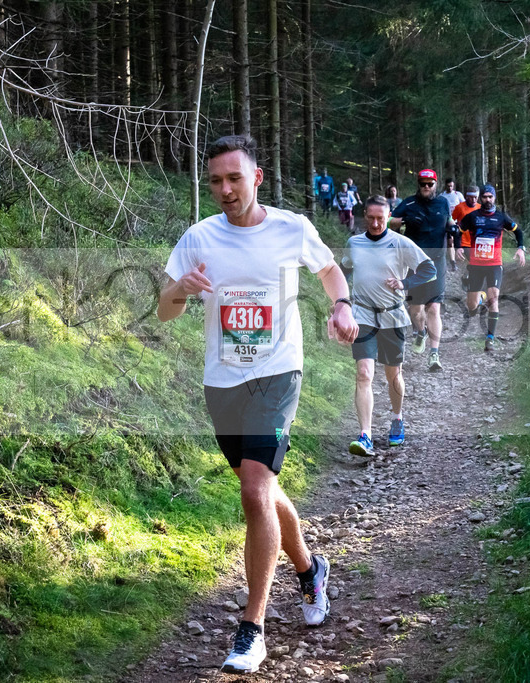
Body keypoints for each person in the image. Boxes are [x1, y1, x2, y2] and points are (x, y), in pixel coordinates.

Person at [158, 134, 358, 675]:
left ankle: (252, 628)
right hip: (222, 382)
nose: (225, 189)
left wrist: (340, 306)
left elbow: (329, 269)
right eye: (216, 181)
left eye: (234, 178)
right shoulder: (199, 237)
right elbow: (164, 311)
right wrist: (182, 289)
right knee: (264, 488)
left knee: (253, 490)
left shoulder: (291, 228)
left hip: (278, 373)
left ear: (257, 178)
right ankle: (311, 568)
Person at [341, 196, 436, 456]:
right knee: (363, 374)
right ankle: (365, 435)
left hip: (392, 316)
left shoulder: (400, 242)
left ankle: (397, 418)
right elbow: (344, 271)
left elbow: (429, 269)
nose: (375, 223)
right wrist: (340, 301)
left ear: (388, 216)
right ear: (364, 216)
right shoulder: (354, 243)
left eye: (380, 219)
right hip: (362, 315)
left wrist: (405, 283)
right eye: (370, 218)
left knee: (393, 374)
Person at [389, 168, 455, 371]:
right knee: (416, 310)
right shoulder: (408, 203)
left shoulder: (443, 202)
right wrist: (404, 221)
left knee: (434, 308)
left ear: (436, 185)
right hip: (414, 264)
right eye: (423, 184)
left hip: (436, 263)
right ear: (418, 184)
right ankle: (421, 331)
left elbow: (450, 221)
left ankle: (434, 355)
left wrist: (454, 228)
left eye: (430, 184)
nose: (426, 187)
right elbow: (389, 221)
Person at [455, 184, 525, 353]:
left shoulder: (501, 217)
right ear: (481, 199)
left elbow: (518, 232)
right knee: (471, 306)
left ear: (494, 198)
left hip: (494, 264)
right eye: (484, 197)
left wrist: (521, 248)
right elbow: (458, 231)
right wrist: (458, 247)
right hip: (476, 265)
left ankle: (490, 338)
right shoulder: (472, 216)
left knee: (494, 300)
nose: (487, 200)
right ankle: (480, 297)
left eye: (490, 197)